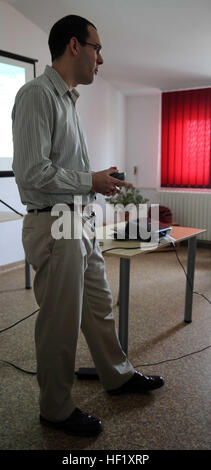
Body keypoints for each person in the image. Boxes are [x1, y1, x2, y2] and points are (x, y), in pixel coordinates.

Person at [12, 15, 164, 437]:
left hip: (78, 219)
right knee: (61, 320)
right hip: (56, 222)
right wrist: (89, 180)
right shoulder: (36, 95)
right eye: (97, 49)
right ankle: (55, 410)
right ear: (75, 46)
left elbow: (58, 169)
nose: (101, 59)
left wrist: (97, 180)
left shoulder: (68, 100)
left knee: (98, 306)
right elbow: (30, 173)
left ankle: (116, 375)